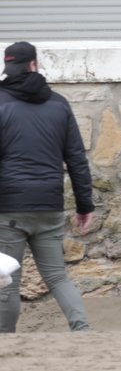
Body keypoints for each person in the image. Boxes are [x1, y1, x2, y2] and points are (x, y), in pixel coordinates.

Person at [0, 42, 94, 333]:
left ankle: (5, 340)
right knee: (57, 277)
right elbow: (76, 158)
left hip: (9, 207)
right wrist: (84, 205)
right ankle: (83, 332)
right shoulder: (59, 103)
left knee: (7, 279)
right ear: (34, 65)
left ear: (8, 67)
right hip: (50, 205)